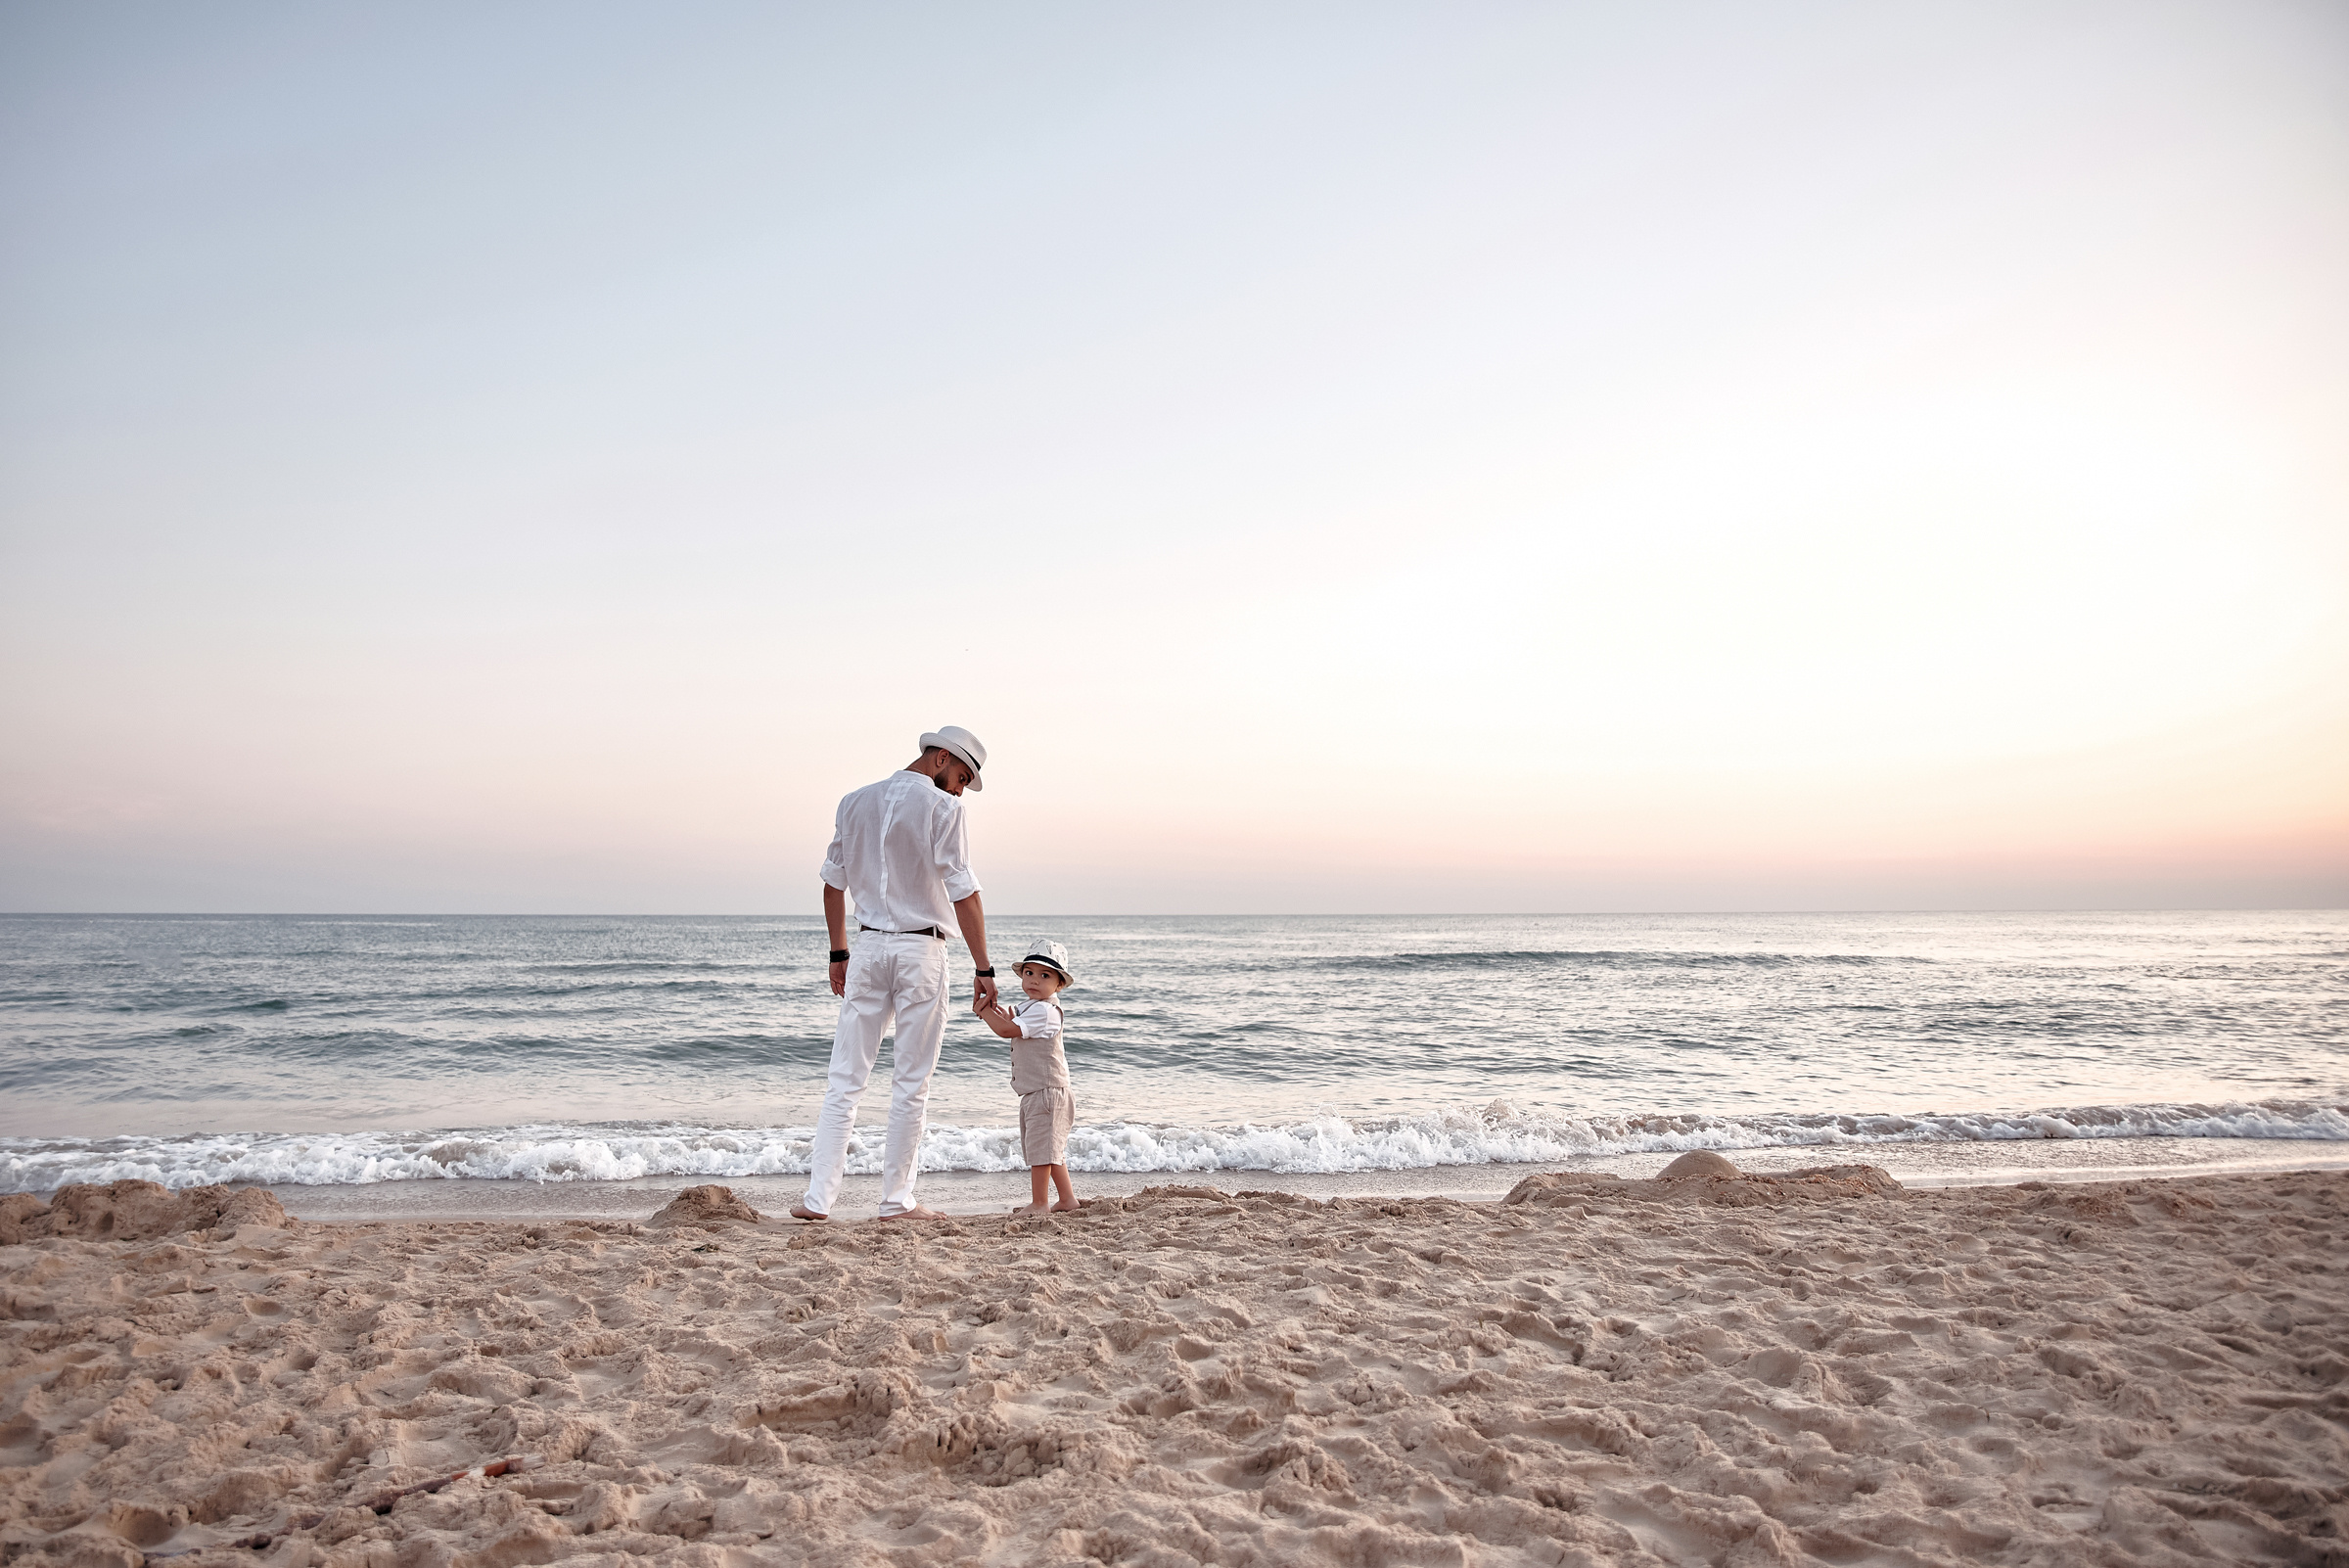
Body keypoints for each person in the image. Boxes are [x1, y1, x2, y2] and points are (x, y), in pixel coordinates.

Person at [793, 726, 996, 1223]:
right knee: (911, 1083)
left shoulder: (853, 802)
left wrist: (838, 952)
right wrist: (984, 967)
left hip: (867, 949)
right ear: (940, 758)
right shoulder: (943, 809)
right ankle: (895, 1202)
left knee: (844, 1080)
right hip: (921, 950)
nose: (959, 790)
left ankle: (818, 1201)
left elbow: (832, 884)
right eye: (961, 778)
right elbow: (964, 892)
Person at [974, 940, 1081, 1217]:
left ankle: (1040, 1203)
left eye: (1045, 976)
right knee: (1049, 1148)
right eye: (1029, 973)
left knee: (1041, 1151)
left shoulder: (1045, 1011)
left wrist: (984, 1011)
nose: (1034, 980)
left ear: (1059, 985)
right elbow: (1012, 1022)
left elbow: (1006, 1031)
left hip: (1047, 1092)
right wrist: (997, 1012)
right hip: (1041, 1091)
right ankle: (1067, 1199)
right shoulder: (1034, 1007)